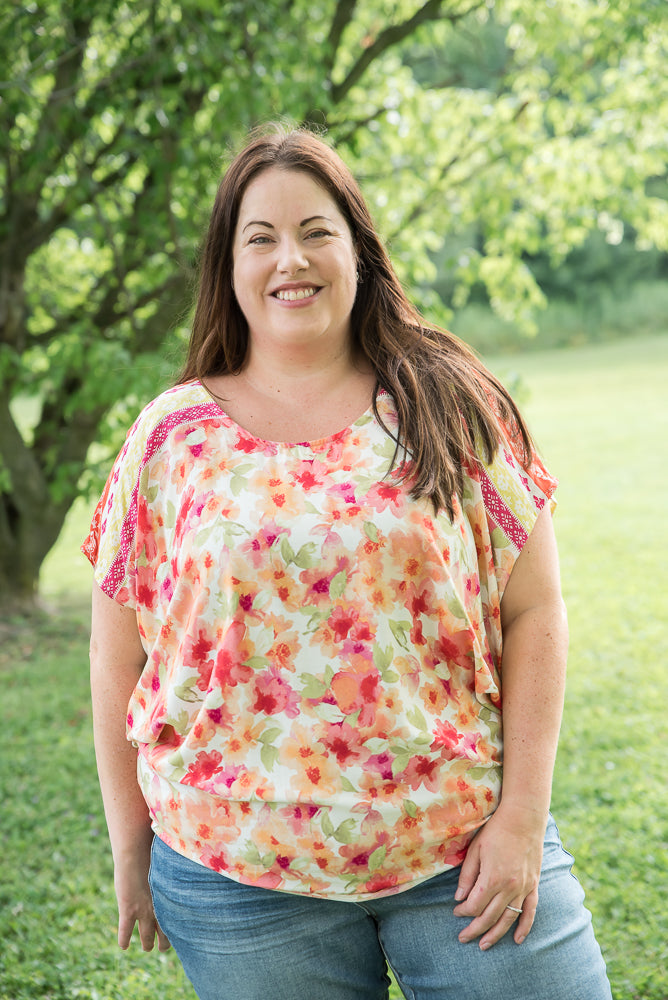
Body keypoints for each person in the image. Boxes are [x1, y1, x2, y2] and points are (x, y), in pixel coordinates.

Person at [84, 124, 612, 1000]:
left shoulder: (450, 400)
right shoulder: (170, 438)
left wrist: (521, 819)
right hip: (238, 879)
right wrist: (130, 842)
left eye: (315, 231)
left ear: (358, 250)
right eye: (261, 237)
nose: (290, 258)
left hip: (462, 846)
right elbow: (116, 654)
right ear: (230, 266)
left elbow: (536, 611)